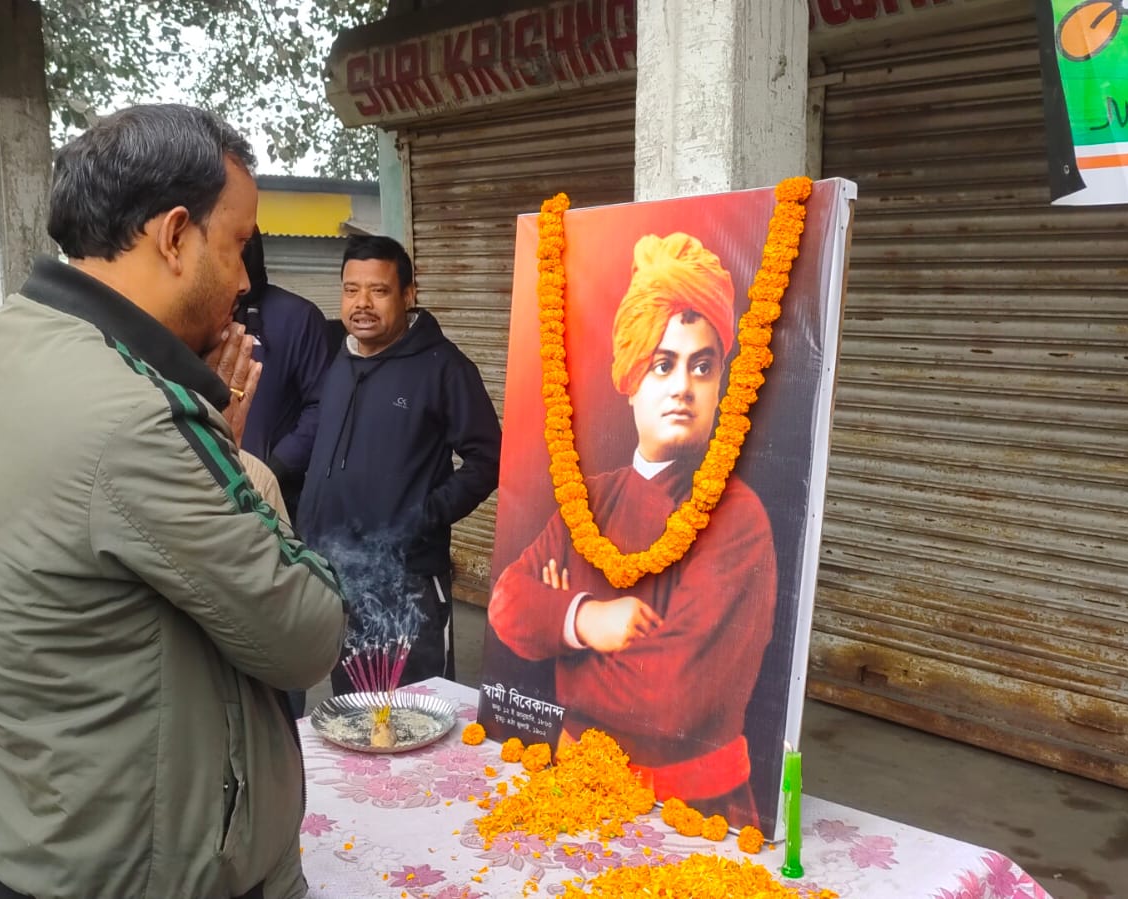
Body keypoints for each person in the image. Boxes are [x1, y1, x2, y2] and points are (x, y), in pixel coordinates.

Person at [0, 104, 346, 899]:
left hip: (38, 831)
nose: (246, 279)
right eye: (237, 245)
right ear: (175, 234)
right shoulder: (131, 412)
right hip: (139, 867)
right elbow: (305, 632)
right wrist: (228, 452)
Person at [487, 233, 777, 822]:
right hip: (572, 789)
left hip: (694, 817)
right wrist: (588, 619)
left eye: (702, 366)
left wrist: (559, 643)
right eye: (663, 364)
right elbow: (506, 604)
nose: (682, 388)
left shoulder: (738, 517)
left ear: (722, 381)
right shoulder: (589, 495)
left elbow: (671, 700)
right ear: (630, 379)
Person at [297, 235, 501, 695]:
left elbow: (488, 458)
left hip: (407, 579)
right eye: (351, 290)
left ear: (409, 294)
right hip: (338, 576)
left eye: (379, 290)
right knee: (352, 710)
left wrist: (421, 517)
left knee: (417, 709)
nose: (362, 303)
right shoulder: (335, 357)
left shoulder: (443, 368)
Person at [234, 231, 334, 518]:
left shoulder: (298, 317)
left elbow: (322, 405)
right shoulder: (196, 315)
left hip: (278, 495)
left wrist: (277, 465)